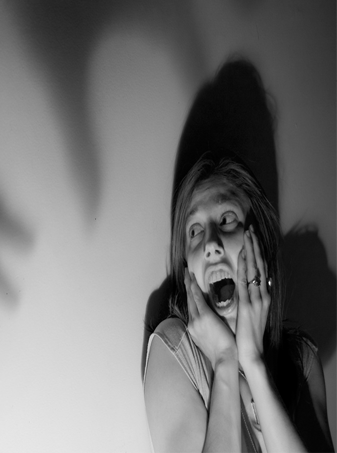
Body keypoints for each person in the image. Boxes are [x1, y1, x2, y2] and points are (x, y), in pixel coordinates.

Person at [143, 152, 335, 453]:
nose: (210, 245)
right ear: (188, 268)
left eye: (226, 219)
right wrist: (224, 360)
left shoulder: (301, 361)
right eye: (194, 231)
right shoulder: (174, 349)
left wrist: (253, 362)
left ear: (261, 241)